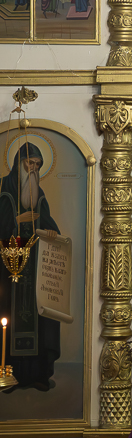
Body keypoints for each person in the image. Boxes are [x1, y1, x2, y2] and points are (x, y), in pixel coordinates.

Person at [0, 142, 61, 392]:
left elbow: (47, 222)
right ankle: (8, 375)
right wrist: (16, 221)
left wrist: (51, 232)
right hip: (8, 268)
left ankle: (37, 375)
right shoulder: (4, 188)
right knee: (9, 315)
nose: (34, 168)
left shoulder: (38, 193)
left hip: (34, 266)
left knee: (39, 316)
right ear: (19, 163)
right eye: (30, 163)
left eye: (37, 164)